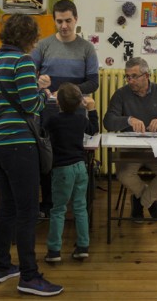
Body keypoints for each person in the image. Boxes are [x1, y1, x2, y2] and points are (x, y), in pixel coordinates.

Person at [0, 13, 62, 297]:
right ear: (29, 38)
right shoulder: (22, 62)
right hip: (19, 145)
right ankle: (29, 276)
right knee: (29, 211)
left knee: (7, 207)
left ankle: (2, 266)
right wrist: (44, 92)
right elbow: (31, 105)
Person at [32, 0, 100, 218]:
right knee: (47, 159)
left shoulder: (87, 48)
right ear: (54, 20)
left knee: (74, 159)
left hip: (75, 112)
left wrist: (67, 92)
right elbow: (29, 75)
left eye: (68, 20)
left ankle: (77, 204)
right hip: (48, 111)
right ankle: (49, 203)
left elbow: (93, 82)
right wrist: (38, 80)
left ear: (76, 19)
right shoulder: (43, 45)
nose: (64, 26)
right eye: (59, 21)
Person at [103, 57, 157, 221]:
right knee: (124, 175)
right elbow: (108, 122)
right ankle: (150, 201)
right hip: (130, 149)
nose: (130, 80)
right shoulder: (121, 94)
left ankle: (140, 201)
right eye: (127, 76)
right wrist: (128, 120)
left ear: (146, 76)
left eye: (134, 76)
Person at [43, 83, 99, 263]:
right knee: (80, 207)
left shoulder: (53, 120)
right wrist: (92, 109)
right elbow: (93, 130)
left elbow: (41, 130)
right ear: (79, 102)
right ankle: (83, 246)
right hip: (80, 167)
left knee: (58, 209)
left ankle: (54, 250)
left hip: (62, 169)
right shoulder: (81, 120)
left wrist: (44, 98)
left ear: (58, 102)